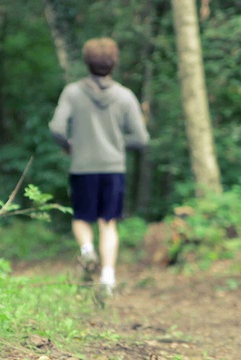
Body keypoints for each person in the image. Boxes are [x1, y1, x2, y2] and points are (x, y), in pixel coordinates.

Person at [49, 37, 149, 295]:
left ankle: (87, 251)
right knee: (108, 223)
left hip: (83, 166)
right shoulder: (125, 96)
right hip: (113, 168)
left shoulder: (72, 92)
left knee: (81, 218)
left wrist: (71, 144)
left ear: (87, 62)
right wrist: (116, 142)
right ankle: (107, 278)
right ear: (114, 63)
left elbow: (56, 128)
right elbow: (141, 138)